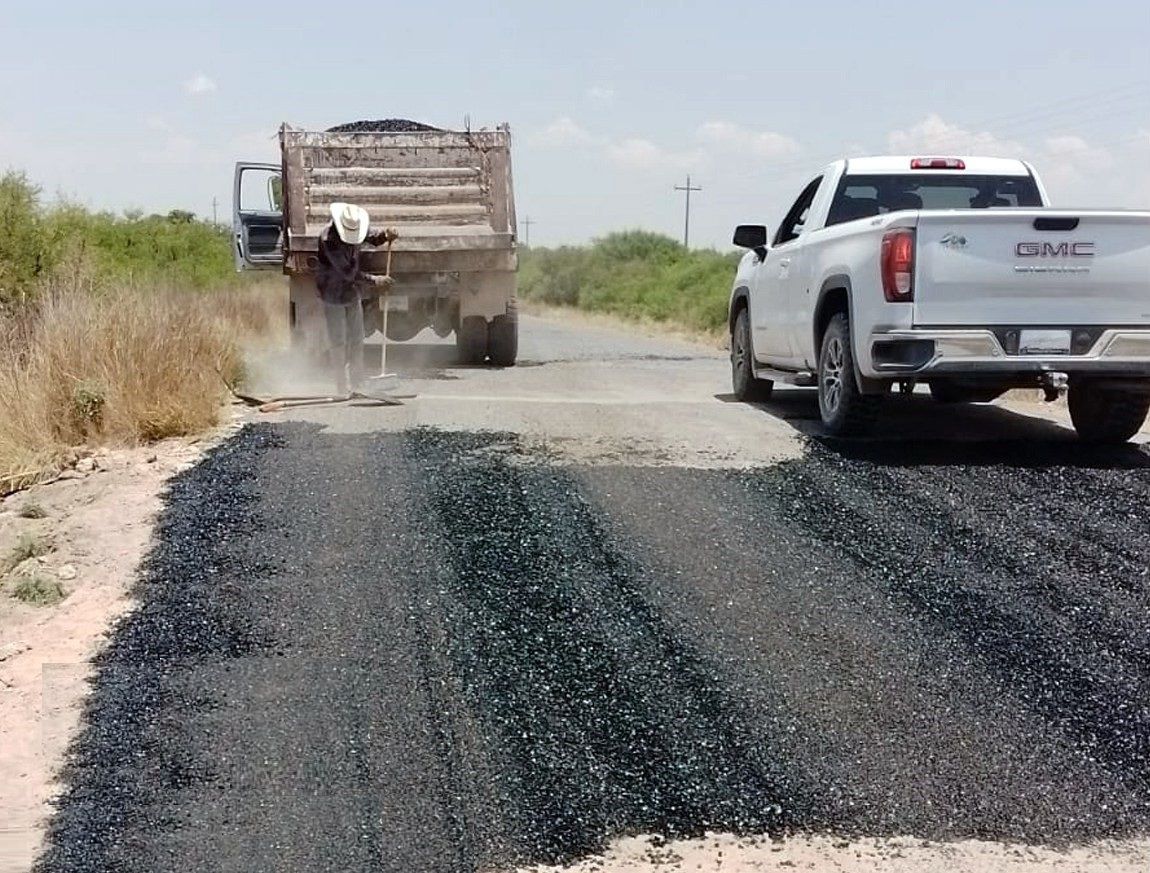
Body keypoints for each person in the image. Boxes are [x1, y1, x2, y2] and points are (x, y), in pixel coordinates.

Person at [315, 202, 399, 395]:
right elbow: (348, 273)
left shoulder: (355, 225)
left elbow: (372, 238)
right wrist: (375, 280)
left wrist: (386, 234)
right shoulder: (328, 240)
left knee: (357, 338)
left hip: (351, 292)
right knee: (338, 341)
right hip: (332, 292)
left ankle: (357, 383)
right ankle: (341, 386)